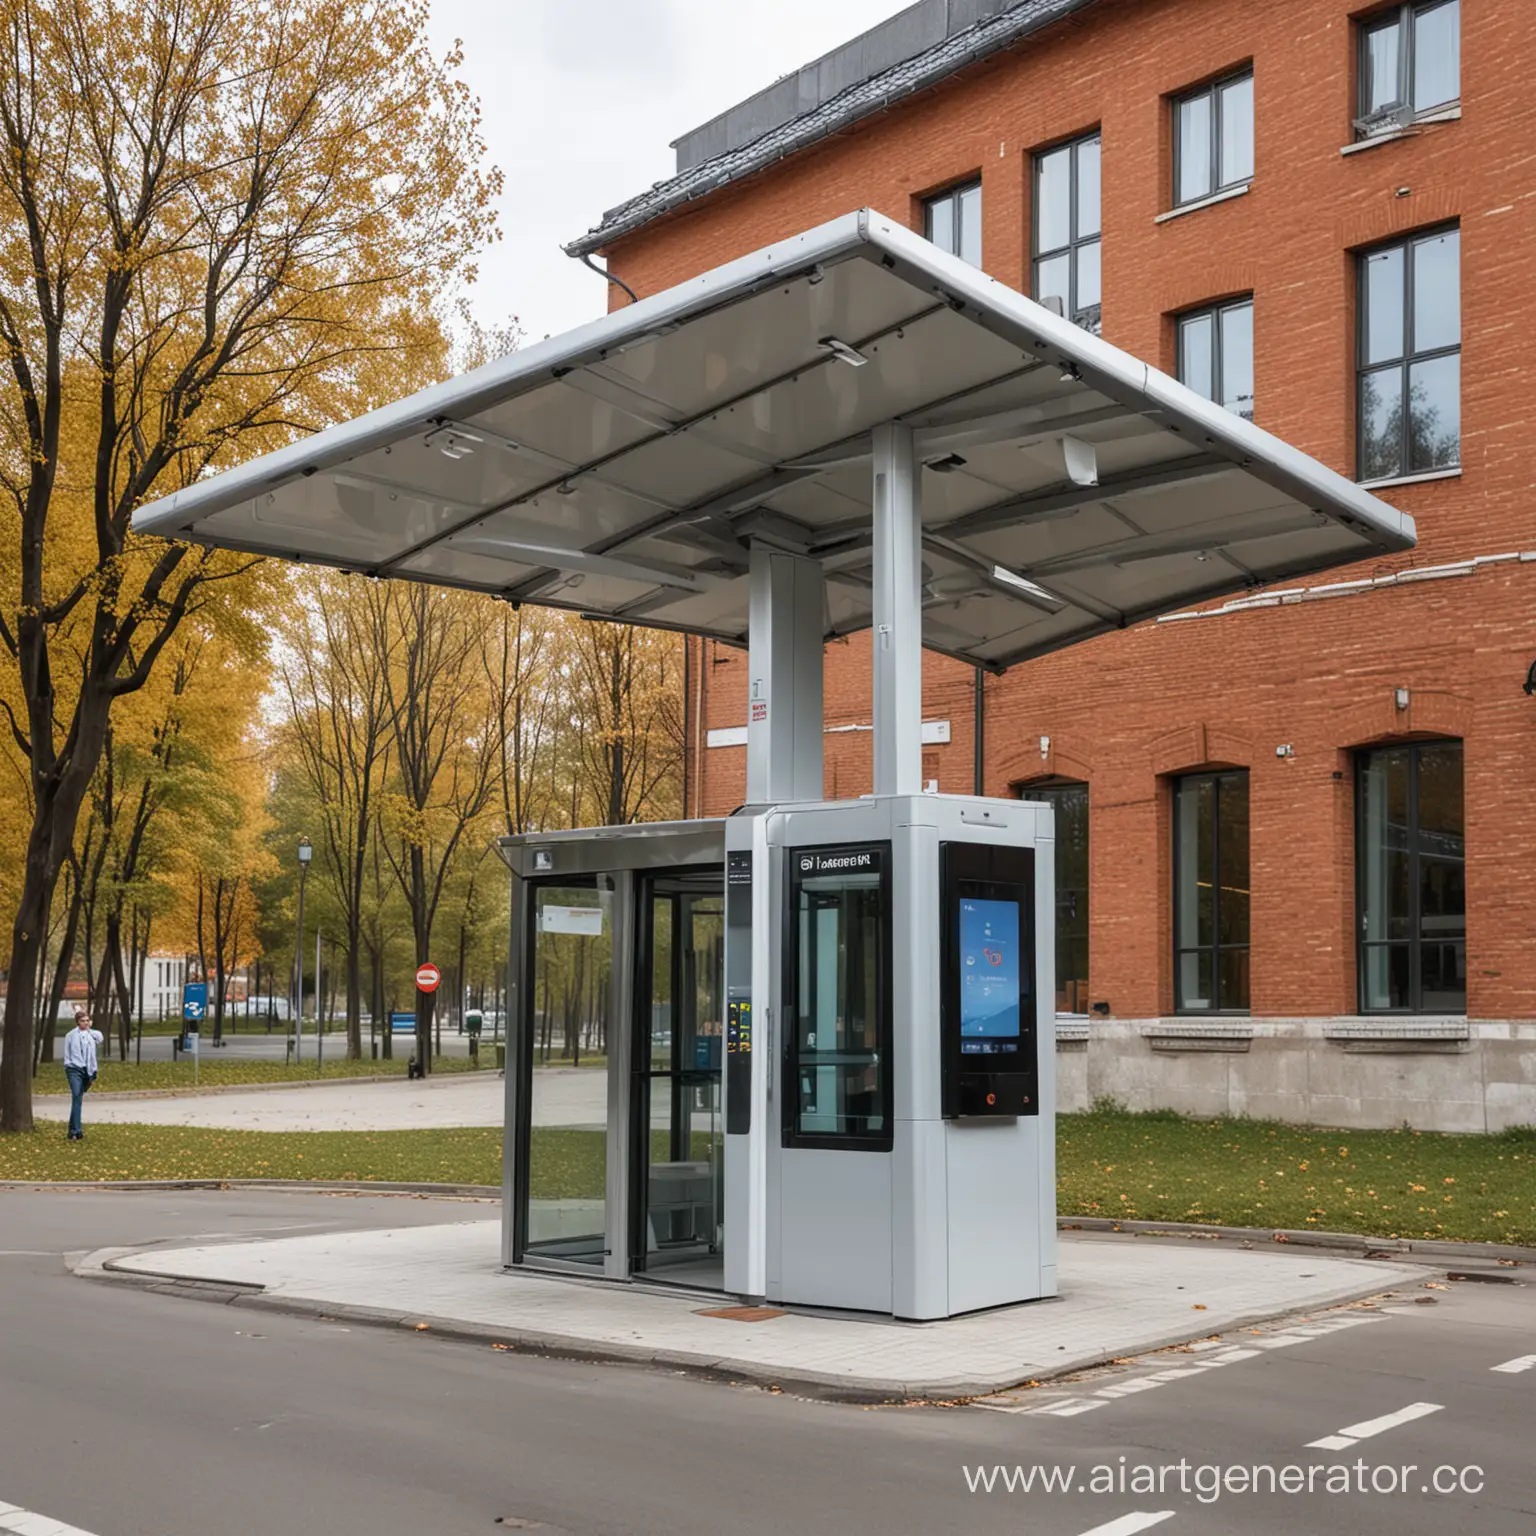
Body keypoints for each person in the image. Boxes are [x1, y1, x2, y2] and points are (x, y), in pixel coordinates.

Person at [63, 1007, 103, 1141]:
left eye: (87, 1020)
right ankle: (77, 1131)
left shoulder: (92, 1034)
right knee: (76, 1095)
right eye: (82, 1021)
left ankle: (71, 1131)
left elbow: (100, 1038)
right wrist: (68, 1066)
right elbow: (67, 1054)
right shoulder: (70, 1035)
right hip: (74, 1069)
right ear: (77, 1022)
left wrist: (90, 1029)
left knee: (77, 1099)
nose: (85, 1023)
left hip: (89, 1071)